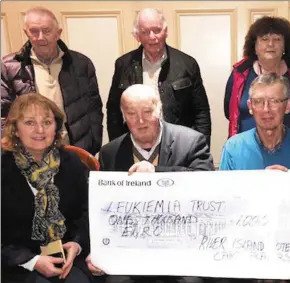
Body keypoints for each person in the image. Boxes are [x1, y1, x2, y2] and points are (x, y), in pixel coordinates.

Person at [87, 84, 214, 283]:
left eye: (147, 111)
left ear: (159, 109)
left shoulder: (190, 141)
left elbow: (205, 184)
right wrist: (98, 251)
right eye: (131, 113)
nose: (140, 121)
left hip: (180, 246)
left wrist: (157, 173)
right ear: (123, 116)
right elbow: (102, 210)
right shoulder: (110, 152)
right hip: (131, 249)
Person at [219, 73, 290, 283]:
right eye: (259, 102)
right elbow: (225, 212)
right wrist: (258, 189)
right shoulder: (234, 148)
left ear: (288, 106)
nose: (266, 109)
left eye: (274, 101)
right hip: (247, 243)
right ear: (250, 106)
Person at [1, 93, 91, 283]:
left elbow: (87, 213)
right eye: (30, 123)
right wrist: (32, 261)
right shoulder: (3, 169)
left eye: (47, 122)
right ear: (15, 129)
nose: (40, 130)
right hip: (18, 265)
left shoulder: (72, 163)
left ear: (56, 127)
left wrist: (77, 244)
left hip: (69, 259)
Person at [1, 7, 103, 155]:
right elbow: (4, 115)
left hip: (75, 150)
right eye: (34, 31)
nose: (40, 37)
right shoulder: (8, 67)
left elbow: (94, 108)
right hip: (29, 154)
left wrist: (93, 143)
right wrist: (11, 148)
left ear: (58, 33)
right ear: (26, 32)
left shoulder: (81, 64)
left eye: (46, 31)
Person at [106, 8, 211, 145]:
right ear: (137, 35)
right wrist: (118, 146)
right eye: (145, 32)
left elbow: (201, 112)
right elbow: (114, 110)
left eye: (157, 30)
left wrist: (200, 146)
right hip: (136, 144)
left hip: (179, 145)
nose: (152, 37)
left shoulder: (187, 64)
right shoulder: (123, 65)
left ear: (165, 31)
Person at [224, 16, 290, 138]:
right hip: (246, 149)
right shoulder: (240, 73)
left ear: (284, 46)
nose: (270, 44)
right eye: (264, 39)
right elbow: (229, 112)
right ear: (254, 46)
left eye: (277, 39)